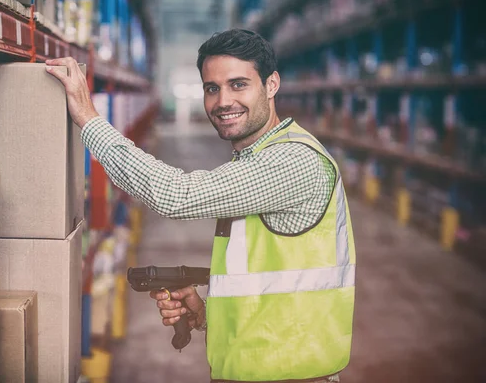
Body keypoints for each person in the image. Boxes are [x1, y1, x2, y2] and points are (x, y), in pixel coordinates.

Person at [45, 28, 356, 383]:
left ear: (271, 85)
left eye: (239, 84)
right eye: (212, 88)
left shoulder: (292, 161)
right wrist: (208, 314)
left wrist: (88, 118)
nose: (223, 101)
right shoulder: (254, 159)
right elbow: (271, 289)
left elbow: (176, 195)